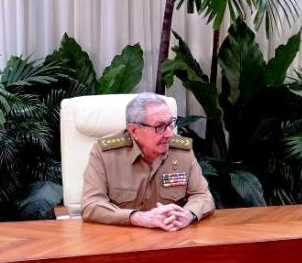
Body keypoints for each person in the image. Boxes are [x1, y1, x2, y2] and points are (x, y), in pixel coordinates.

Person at [81, 92, 215, 231]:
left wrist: (188, 214)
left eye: (170, 124)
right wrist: (139, 218)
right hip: (122, 238)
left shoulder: (181, 151)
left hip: (170, 237)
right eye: (159, 127)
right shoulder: (105, 154)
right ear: (134, 130)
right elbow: (91, 204)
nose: (169, 134)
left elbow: (202, 195)